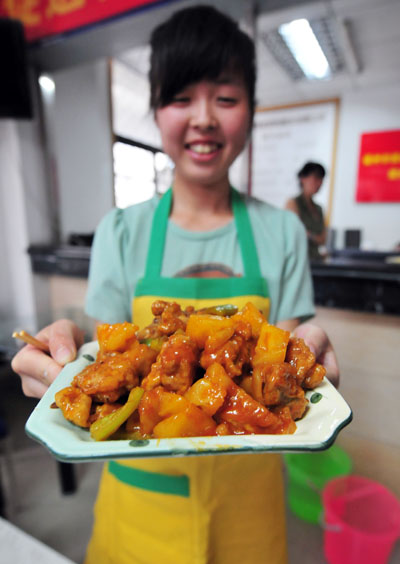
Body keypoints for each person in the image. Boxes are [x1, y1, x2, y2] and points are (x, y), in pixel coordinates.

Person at [12, 6, 339, 564]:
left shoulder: (282, 229)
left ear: (251, 111)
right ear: (157, 110)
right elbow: (105, 360)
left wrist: (307, 348)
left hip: (250, 491)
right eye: (181, 98)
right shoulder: (121, 230)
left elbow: (277, 356)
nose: (204, 118)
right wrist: (64, 365)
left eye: (227, 98)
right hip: (141, 496)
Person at [285, 162, 327, 260]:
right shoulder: (293, 203)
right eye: (316, 178)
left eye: (321, 179)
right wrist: (314, 237)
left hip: (315, 259)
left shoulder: (319, 208)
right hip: (298, 259)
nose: (319, 183)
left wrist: (309, 235)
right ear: (303, 178)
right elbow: (296, 232)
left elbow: (323, 240)